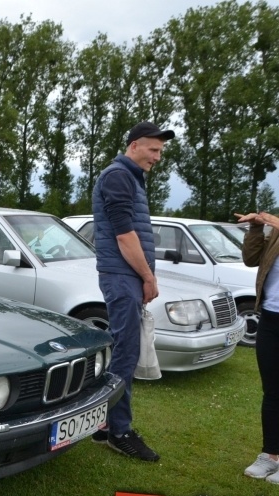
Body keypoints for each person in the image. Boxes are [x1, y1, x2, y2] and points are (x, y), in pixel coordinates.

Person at [91, 121, 175, 461]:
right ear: (134, 145)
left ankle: (102, 423)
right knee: (126, 353)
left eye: (160, 152)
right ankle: (119, 431)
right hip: (122, 275)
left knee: (122, 350)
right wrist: (148, 277)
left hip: (126, 276)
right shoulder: (118, 176)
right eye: (153, 150)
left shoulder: (130, 178)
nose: (157, 157)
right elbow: (126, 237)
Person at [235, 210, 279, 483]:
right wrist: (255, 228)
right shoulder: (275, 229)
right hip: (271, 318)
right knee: (273, 391)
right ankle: (270, 455)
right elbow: (251, 259)